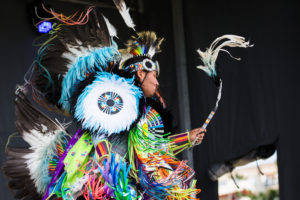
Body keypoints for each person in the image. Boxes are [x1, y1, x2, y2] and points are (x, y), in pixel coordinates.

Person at [3, 7, 205, 200]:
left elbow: (152, 150)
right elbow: (100, 135)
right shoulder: (115, 93)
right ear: (141, 72)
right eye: (154, 76)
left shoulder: (145, 112)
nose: (158, 82)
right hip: (99, 184)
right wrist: (109, 169)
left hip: (125, 183)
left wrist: (188, 138)